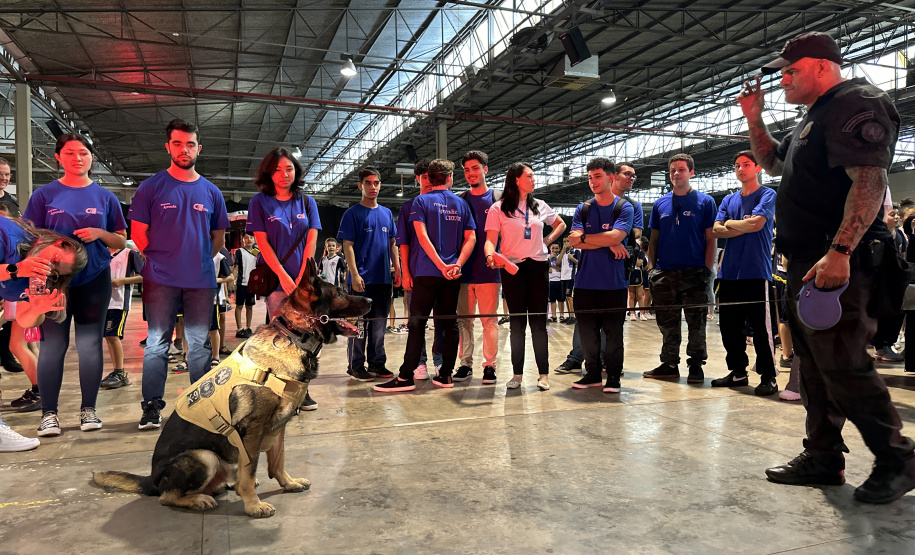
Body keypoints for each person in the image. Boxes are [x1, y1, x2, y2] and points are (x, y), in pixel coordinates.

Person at [739, 30, 914, 503]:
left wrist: (840, 250)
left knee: (844, 362)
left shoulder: (856, 102)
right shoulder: (811, 118)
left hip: (840, 260)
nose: (783, 80)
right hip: (806, 260)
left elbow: (870, 182)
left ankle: (898, 456)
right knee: (814, 364)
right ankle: (823, 456)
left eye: (790, 71)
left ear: (821, 66)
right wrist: (755, 119)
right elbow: (773, 163)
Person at [128, 118, 230, 430]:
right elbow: (138, 233)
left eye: (189, 144)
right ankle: (151, 406)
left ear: (199, 148)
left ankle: (199, 406)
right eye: (177, 143)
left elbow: (218, 239)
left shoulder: (211, 192)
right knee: (158, 343)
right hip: (160, 280)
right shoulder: (151, 187)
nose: (183, 149)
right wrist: (161, 260)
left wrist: (196, 261)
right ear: (168, 147)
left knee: (199, 344)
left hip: (199, 281)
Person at [23, 133, 127, 437]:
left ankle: (89, 409)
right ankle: (49, 414)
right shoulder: (44, 195)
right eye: (70, 153)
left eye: (83, 153)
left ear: (91, 158)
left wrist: (100, 233)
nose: (77, 158)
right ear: (59, 157)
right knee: (53, 345)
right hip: (54, 282)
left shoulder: (105, 197)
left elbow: (121, 239)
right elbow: (28, 238)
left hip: (94, 279)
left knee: (90, 345)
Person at [373, 159, 474, 392]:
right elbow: (471, 238)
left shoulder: (420, 202)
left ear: (430, 176)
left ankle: (406, 376)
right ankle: (446, 375)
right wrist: (455, 265)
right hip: (451, 275)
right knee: (450, 323)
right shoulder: (461, 204)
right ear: (450, 178)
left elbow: (422, 236)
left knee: (417, 324)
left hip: (427, 272)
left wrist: (439, 265)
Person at [246, 147, 320, 410]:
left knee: (305, 336)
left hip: (303, 281)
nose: (284, 174)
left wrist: (301, 275)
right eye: (277, 169)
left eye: (289, 168)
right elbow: (262, 243)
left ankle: (301, 390)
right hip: (277, 281)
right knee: (282, 335)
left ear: (296, 171)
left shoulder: (307, 202)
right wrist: (284, 275)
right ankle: (279, 388)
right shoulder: (259, 202)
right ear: (268, 173)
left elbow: (312, 238)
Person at [484, 163, 566, 390]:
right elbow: (490, 240)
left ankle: (543, 375)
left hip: (539, 269)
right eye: (529, 176)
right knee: (517, 324)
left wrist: (547, 241)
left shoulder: (540, 205)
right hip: (513, 269)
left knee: (539, 324)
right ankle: (517, 375)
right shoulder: (498, 208)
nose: (533, 179)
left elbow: (560, 224)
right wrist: (490, 255)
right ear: (516, 180)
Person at [707, 150, 779, 395]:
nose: (740, 169)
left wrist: (731, 224)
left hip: (756, 271)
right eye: (737, 165)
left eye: (746, 165)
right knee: (729, 326)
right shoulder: (728, 200)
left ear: (757, 168)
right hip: (729, 273)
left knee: (760, 328)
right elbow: (716, 230)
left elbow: (756, 223)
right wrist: (738, 226)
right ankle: (738, 372)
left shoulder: (767, 194)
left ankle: (769, 376)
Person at [642, 153, 717, 384]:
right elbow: (653, 239)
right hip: (664, 273)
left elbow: (711, 239)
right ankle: (669, 364)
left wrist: (706, 269)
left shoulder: (705, 202)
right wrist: (652, 269)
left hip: (695, 271)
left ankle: (696, 365)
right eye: (673, 170)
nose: (676, 173)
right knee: (667, 322)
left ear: (691, 172)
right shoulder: (660, 203)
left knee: (696, 321)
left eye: (682, 169)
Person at [568, 157, 634, 393]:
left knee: (613, 334)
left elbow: (616, 236)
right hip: (585, 283)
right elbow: (573, 240)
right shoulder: (583, 209)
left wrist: (591, 239)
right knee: (587, 333)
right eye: (589, 177)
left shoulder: (624, 207)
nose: (593, 182)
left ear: (611, 177)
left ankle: (613, 376)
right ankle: (592, 374)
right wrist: (608, 242)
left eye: (597, 176)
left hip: (614, 283)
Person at [339, 167, 400, 382]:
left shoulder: (386, 214)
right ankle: (356, 366)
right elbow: (348, 246)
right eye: (368, 183)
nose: (373, 187)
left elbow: (393, 244)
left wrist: (398, 269)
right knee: (358, 327)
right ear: (360, 185)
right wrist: (354, 275)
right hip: (360, 281)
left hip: (383, 280)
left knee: (379, 326)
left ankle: (377, 363)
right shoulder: (352, 214)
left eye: (376, 183)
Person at [454, 150, 502, 383]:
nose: (470, 173)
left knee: (489, 321)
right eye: (466, 170)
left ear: (485, 169)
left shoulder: (499, 198)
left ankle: (489, 365)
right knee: (464, 321)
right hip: (464, 273)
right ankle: (465, 364)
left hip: (490, 272)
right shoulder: (460, 200)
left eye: (475, 168)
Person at [99, 245, 144, 389]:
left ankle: (120, 372)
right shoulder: (102, 251)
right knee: (108, 337)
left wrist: (122, 281)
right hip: (103, 302)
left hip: (118, 302)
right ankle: (116, 371)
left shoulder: (129, 254)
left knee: (113, 336)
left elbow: (144, 275)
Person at [871, 205, 905, 362]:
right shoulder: (876, 235)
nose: (897, 217)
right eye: (892, 214)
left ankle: (887, 345)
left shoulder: (898, 234)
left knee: (896, 312)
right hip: (878, 282)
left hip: (893, 281)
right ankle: (880, 346)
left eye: (897, 214)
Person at [233, 233, 258, 338]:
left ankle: (248, 327)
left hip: (252, 284)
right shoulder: (239, 252)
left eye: (251, 237)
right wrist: (232, 282)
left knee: (249, 306)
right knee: (239, 305)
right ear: (242, 239)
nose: (249, 240)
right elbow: (236, 267)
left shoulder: (257, 252)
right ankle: (239, 328)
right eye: (246, 238)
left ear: (254, 239)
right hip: (241, 283)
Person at [559, 236, 578, 324]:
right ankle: (569, 315)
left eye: (568, 241)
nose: (566, 243)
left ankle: (573, 317)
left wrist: (572, 258)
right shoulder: (563, 253)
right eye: (564, 241)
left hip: (571, 277)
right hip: (563, 277)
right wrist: (563, 250)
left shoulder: (576, 251)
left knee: (570, 297)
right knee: (566, 297)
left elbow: (580, 263)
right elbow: (558, 263)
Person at [547, 243, 564, 322]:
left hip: (560, 280)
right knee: (552, 300)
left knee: (561, 299)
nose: (554, 250)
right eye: (553, 248)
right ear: (550, 248)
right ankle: (553, 315)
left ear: (560, 249)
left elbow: (562, 269)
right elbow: (546, 269)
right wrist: (550, 258)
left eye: (556, 248)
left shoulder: (561, 257)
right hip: (551, 281)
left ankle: (561, 315)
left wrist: (554, 266)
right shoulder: (547, 257)